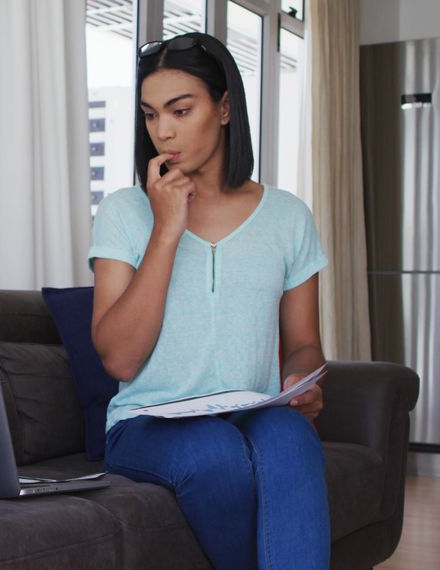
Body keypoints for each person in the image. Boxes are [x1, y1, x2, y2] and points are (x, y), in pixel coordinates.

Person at [89, 32, 330, 569]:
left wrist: (302, 381)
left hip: (252, 411)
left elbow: (305, 344)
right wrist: (166, 230)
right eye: (151, 115)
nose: (163, 131)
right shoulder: (126, 212)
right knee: (213, 453)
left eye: (180, 109)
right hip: (148, 424)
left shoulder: (288, 217)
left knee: (291, 436)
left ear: (224, 108)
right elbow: (120, 358)